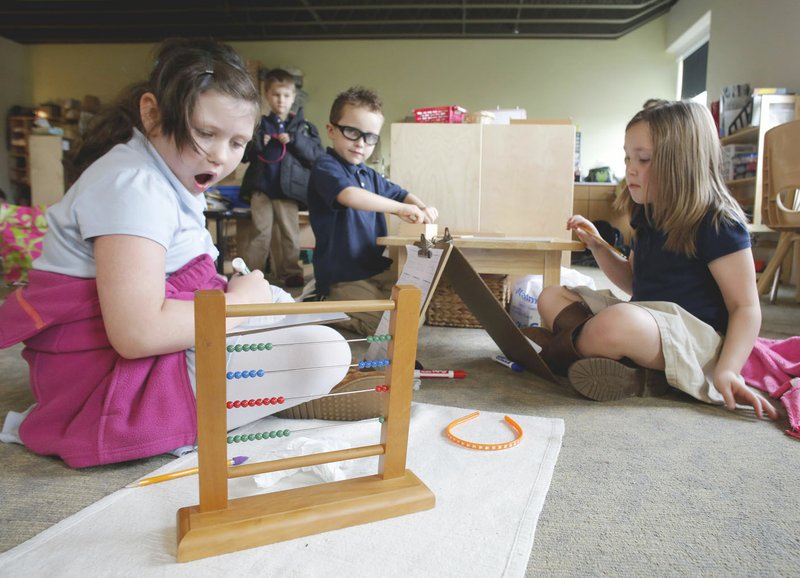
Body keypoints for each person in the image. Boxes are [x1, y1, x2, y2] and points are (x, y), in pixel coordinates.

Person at [0, 39, 338, 468]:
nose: (220, 157)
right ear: (152, 113)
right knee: (324, 351)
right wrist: (239, 304)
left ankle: (283, 371)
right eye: (205, 133)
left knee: (298, 317)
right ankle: (199, 413)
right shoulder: (132, 186)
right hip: (111, 384)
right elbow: (137, 334)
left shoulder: (167, 175)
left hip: (153, 349)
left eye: (237, 143)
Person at [530, 100, 778, 420]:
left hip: (694, 340)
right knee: (551, 295)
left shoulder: (718, 221)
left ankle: (560, 351)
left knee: (617, 322)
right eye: (628, 157)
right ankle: (609, 359)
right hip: (646, 320)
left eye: (643, 159)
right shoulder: (647, 212)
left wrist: (729, 369)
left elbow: (745, 307)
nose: (630, 168)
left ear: (682, 163)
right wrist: (599, 247)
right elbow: (633, 281)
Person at [307, 86, 439, 335]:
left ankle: (357, 304)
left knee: (412, 310)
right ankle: (324, 307)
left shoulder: (369, 174)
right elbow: (349, 195)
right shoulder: (326, 167)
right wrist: (400, 209)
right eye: (352, 132)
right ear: (331, 130)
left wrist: (422, 207)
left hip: (375, 268)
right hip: (343, 275)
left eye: (370, 137)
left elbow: (400, 192)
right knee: (385, 328)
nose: (360, 143)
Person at [238, 68, 324, 288]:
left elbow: (316, 157)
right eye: (276, 95)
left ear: (293, 97)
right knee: (260, 232)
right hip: (262, 188)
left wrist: (294, 140)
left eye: (286, 95)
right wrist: (259, 143)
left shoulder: (302, 127)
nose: (281, 100)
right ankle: (250, 274)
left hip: (289, 190)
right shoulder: (258, 125)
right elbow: (244, 155)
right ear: (267, 95)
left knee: (289, 232)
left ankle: (291, 273)